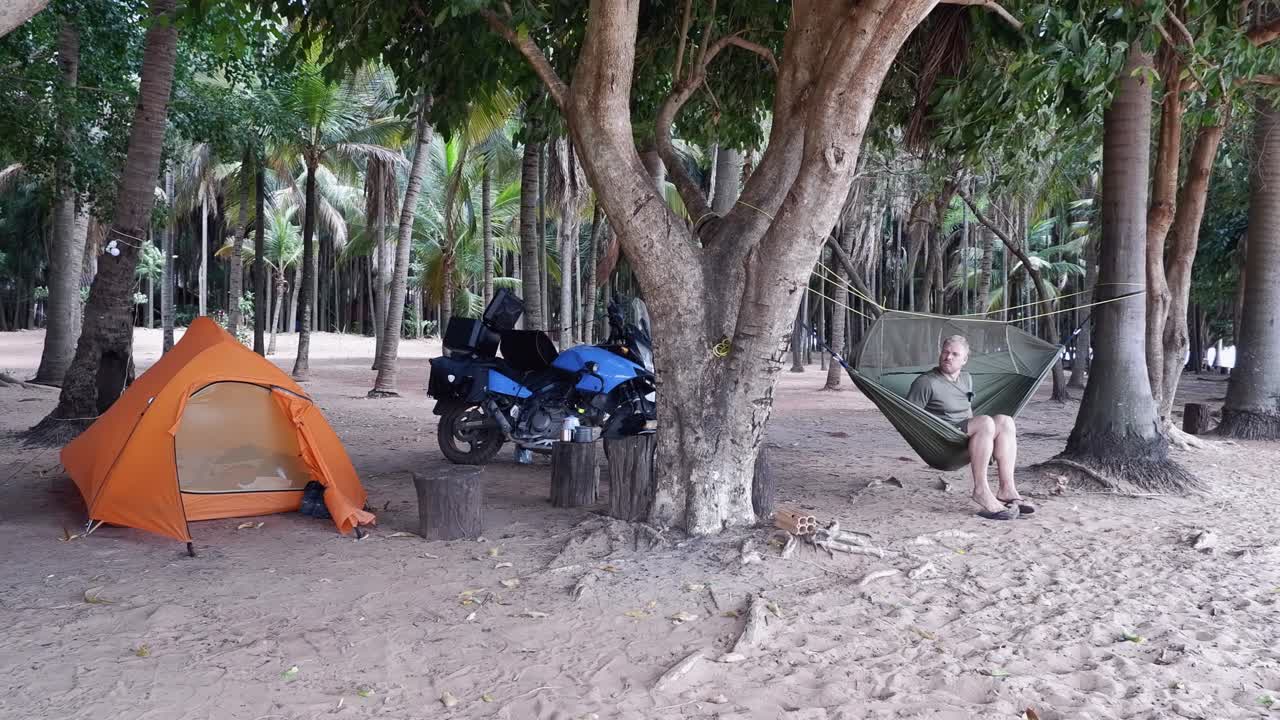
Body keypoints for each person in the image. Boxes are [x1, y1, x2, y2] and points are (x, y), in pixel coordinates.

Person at [906, 335, 1035, 521]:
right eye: (945, 352)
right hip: (943, 442)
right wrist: (929, 442)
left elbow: (968, 412)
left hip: (965, 437)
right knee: (985, 422)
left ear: (964, 360)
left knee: (1005, 421)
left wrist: (986, 438)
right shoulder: (926, 382)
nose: (948, 357)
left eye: (955, 354)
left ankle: (1007, 489)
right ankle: (981, 490)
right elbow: (910, 417)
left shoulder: (966, 378)